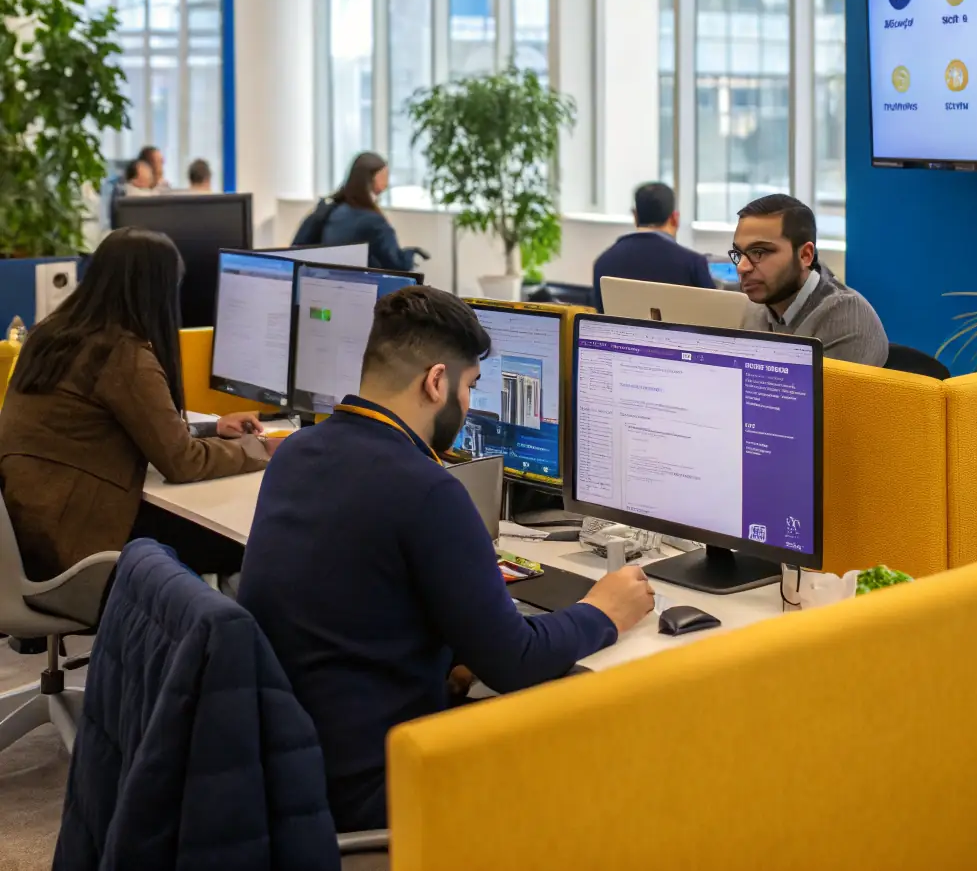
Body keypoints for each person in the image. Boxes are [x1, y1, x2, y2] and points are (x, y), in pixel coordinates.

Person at [239, 286, 653, 833]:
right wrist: (604, 610)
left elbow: (360, 605)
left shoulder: (295, 452)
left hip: (296, 767)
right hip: (381, 782)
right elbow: (515, 662)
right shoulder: (426, 489)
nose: (467, 405)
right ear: (436, 382)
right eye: (470, 387)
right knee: (595, 765)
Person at [0, 228, 268, 581]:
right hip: (79, 547)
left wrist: (213, 428)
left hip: (31, 531)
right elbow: (183, 463)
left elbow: (113, 425)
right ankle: (225, 635)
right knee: (250, 545)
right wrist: (265, 449)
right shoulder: (121, 355)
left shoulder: (51, 335)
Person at [733, 193, 888, 366]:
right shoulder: (757, 306)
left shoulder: (849, 318)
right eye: (739, 254)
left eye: (759, 252)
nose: (742, 267)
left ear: (805, 255)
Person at [292, 151, 424, 272]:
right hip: (361, 288)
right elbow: (396, 264)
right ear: (373, 178)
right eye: (384, 175)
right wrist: (410, 254)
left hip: (324, 280)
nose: (387, 181)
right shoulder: (373, 221)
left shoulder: (332, 210)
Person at [592, 182, 715, 311]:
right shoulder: (693, 264)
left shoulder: (603, 262)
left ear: (635, 216)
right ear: (674, 218)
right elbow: (715, 319)